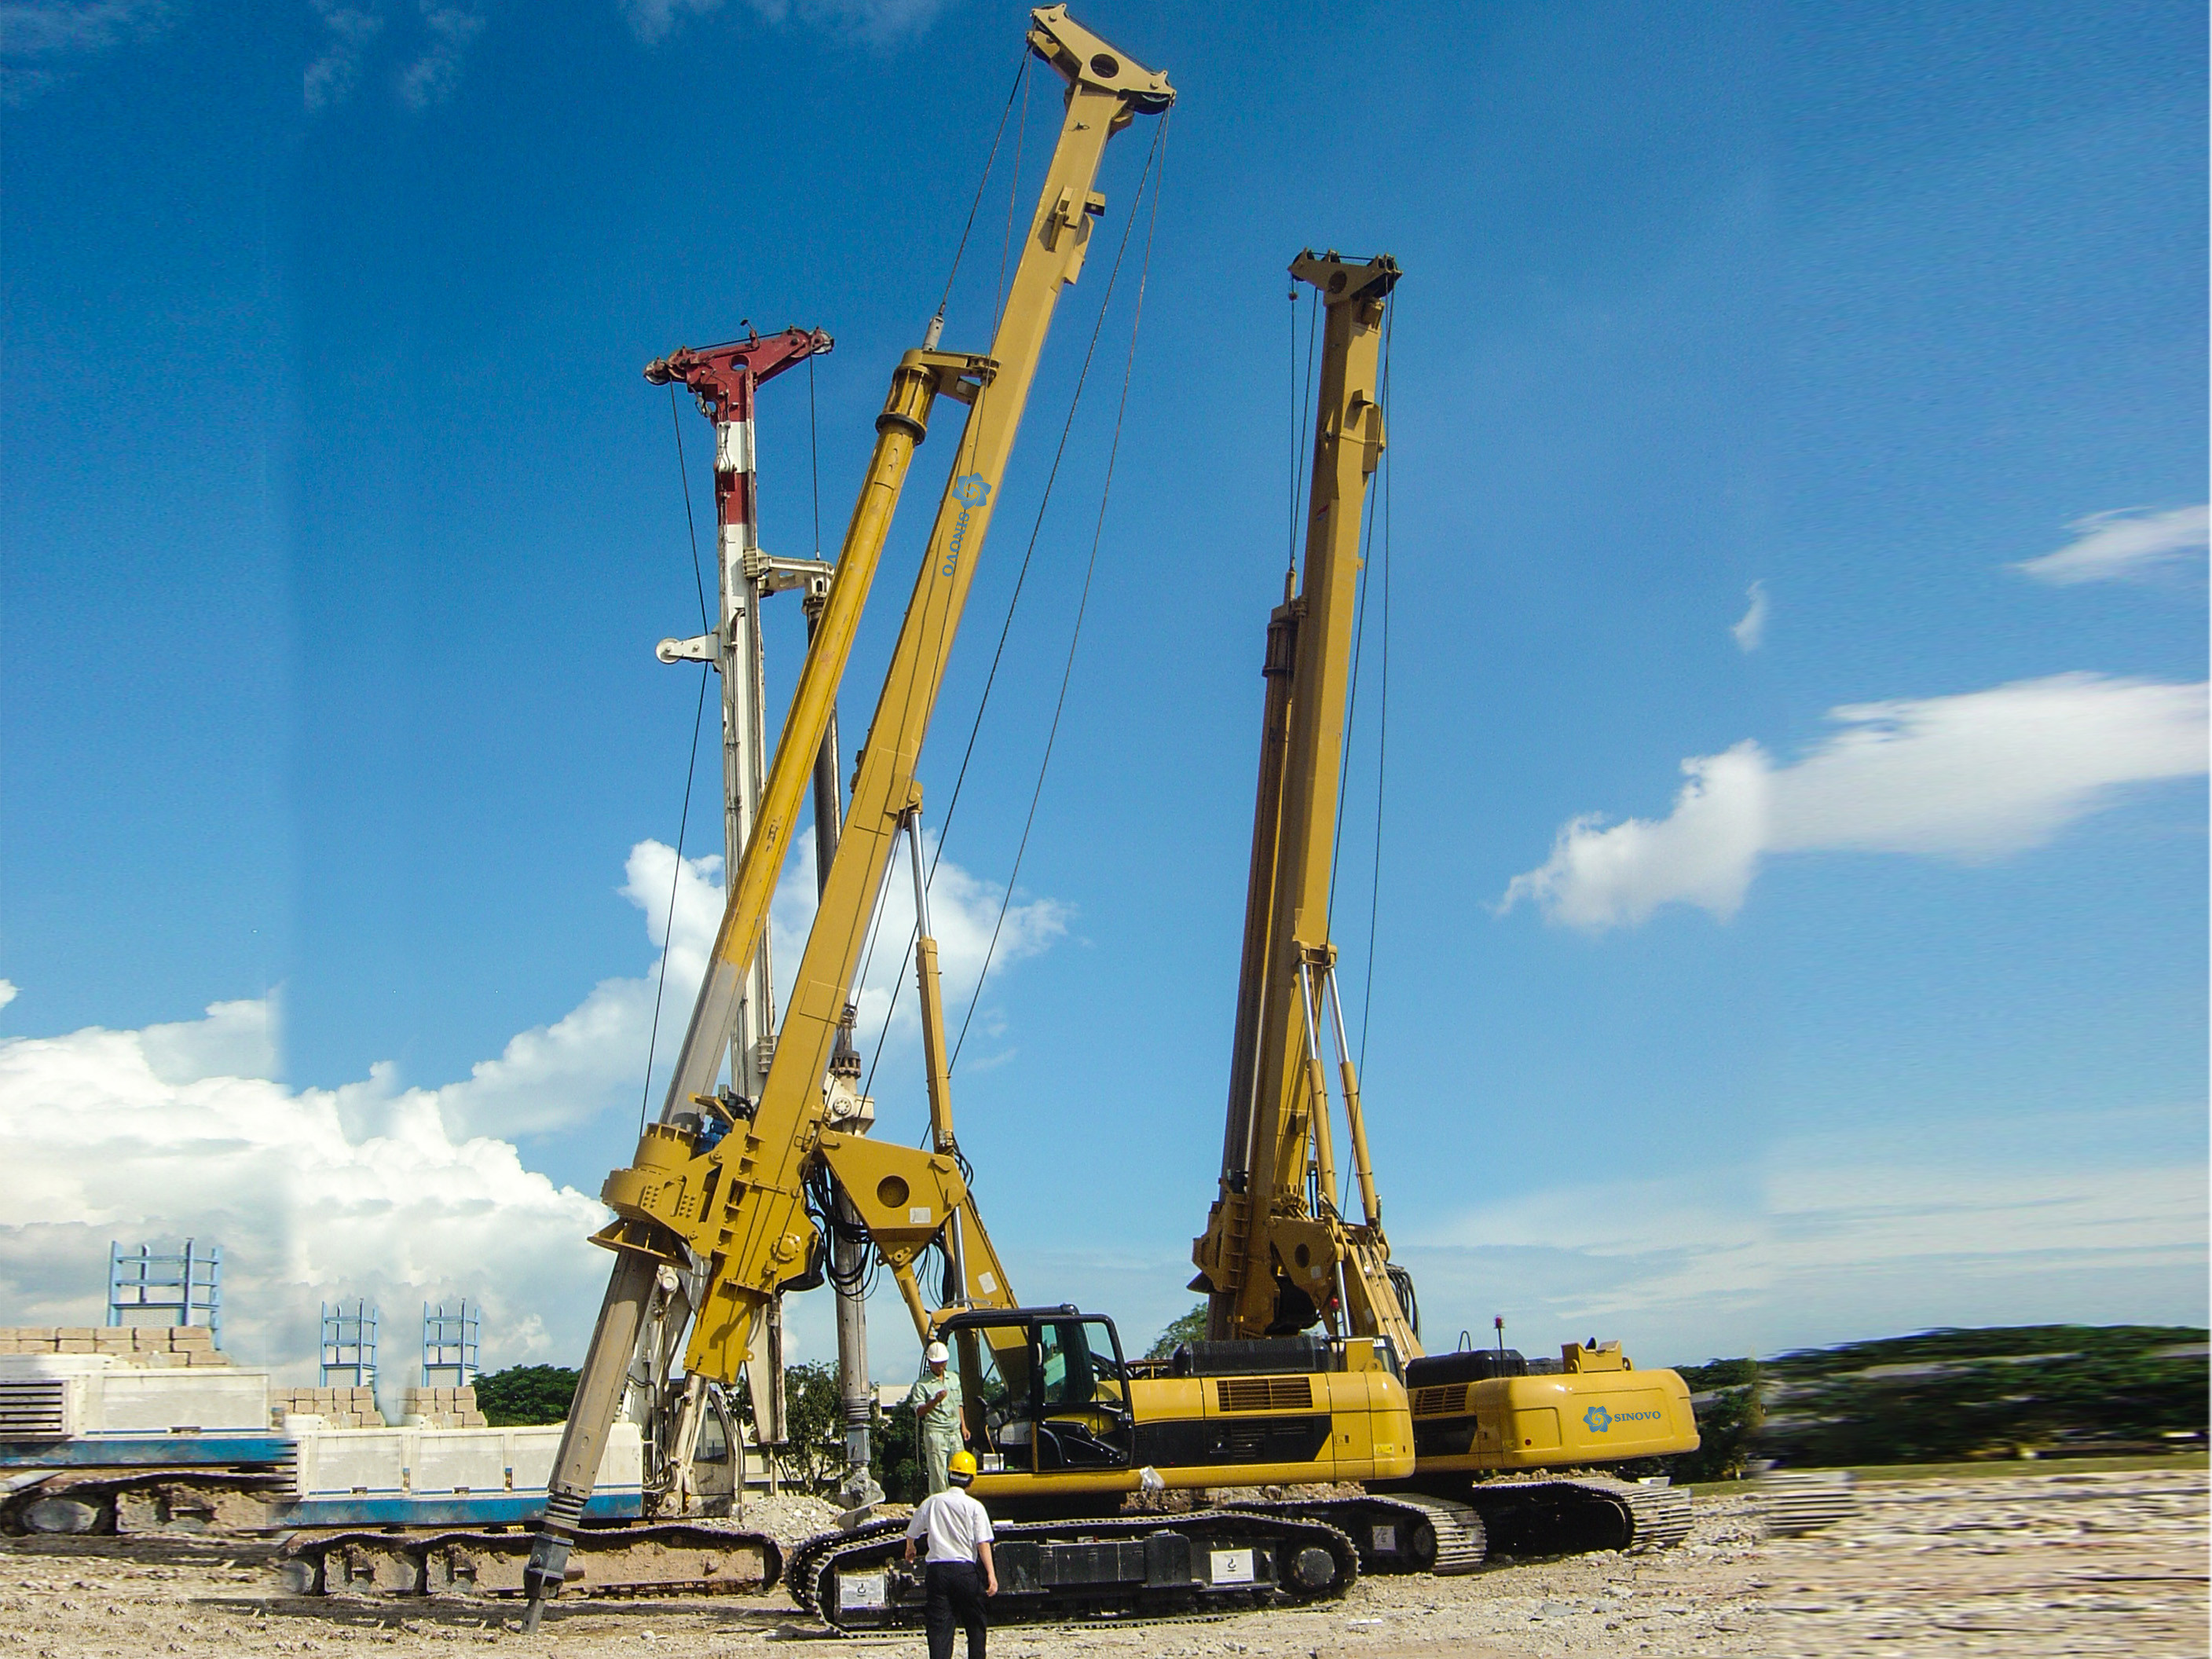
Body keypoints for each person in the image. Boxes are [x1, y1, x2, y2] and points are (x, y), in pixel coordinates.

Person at [903, 1447, 995, 1659]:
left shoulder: (932, 1502)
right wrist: (991, 1574)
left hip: (938, 1572)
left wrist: (910, 1547)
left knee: (939, 1628)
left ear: (949, 1476)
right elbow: (982, 1542)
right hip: (965, 1571)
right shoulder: (975, 1507)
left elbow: (912, 1531)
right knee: (976, 1624)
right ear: (971, 1480)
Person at [903, 1339, 968, 1495]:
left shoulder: (954, 1378)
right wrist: (935, 1401)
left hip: (954, 1431)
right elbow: (919, 1412)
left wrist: (963, 1427)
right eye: (937, 1363)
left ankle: (957, 1501)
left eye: (943, 1363)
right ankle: (940, 1501)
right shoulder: (922, 1385)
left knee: (959, 1470)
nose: (940, 1367)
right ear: (930, 1363)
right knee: (938, 1473)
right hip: (936, 1432)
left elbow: (959, 1403)